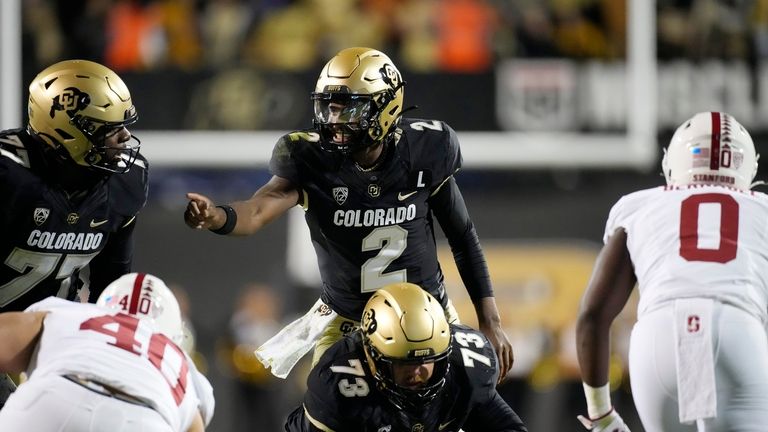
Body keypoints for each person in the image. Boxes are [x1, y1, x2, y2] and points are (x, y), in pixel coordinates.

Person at [183, 47, 512, 380]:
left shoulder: (425, 150)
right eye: (329, 108)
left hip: (425, 317)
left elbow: (463, 237)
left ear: (386, 107)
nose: (335, 121)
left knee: (464, 406)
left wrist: (490, 321)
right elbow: (257, 210)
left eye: (349, 109)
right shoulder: (310, 158)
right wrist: (218, 216)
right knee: (324, 415)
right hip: (349, 323)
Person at [576, 111, 768, 431]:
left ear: (673, 161)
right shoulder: (761, 208)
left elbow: (592, 316)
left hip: (656, 343)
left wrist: (600, 414)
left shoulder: (639, 206)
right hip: (736, 329)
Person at [0, 59, 148, 405]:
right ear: (68, 130)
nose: (125, 139)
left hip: (53, 338)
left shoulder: (126, 182)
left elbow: (112, 285)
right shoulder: (9, 176)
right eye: (110, 129)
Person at [285, 282, 527, 432]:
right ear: (373, 356)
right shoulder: (338, 385)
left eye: (426, 360)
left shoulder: (465, 368)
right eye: (404, 362)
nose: (417, 371)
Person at [0, 272, 215, 431]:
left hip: (56, 398)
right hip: (147, 420)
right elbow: (194, 426)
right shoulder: (182, 362)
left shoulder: (71, 313)